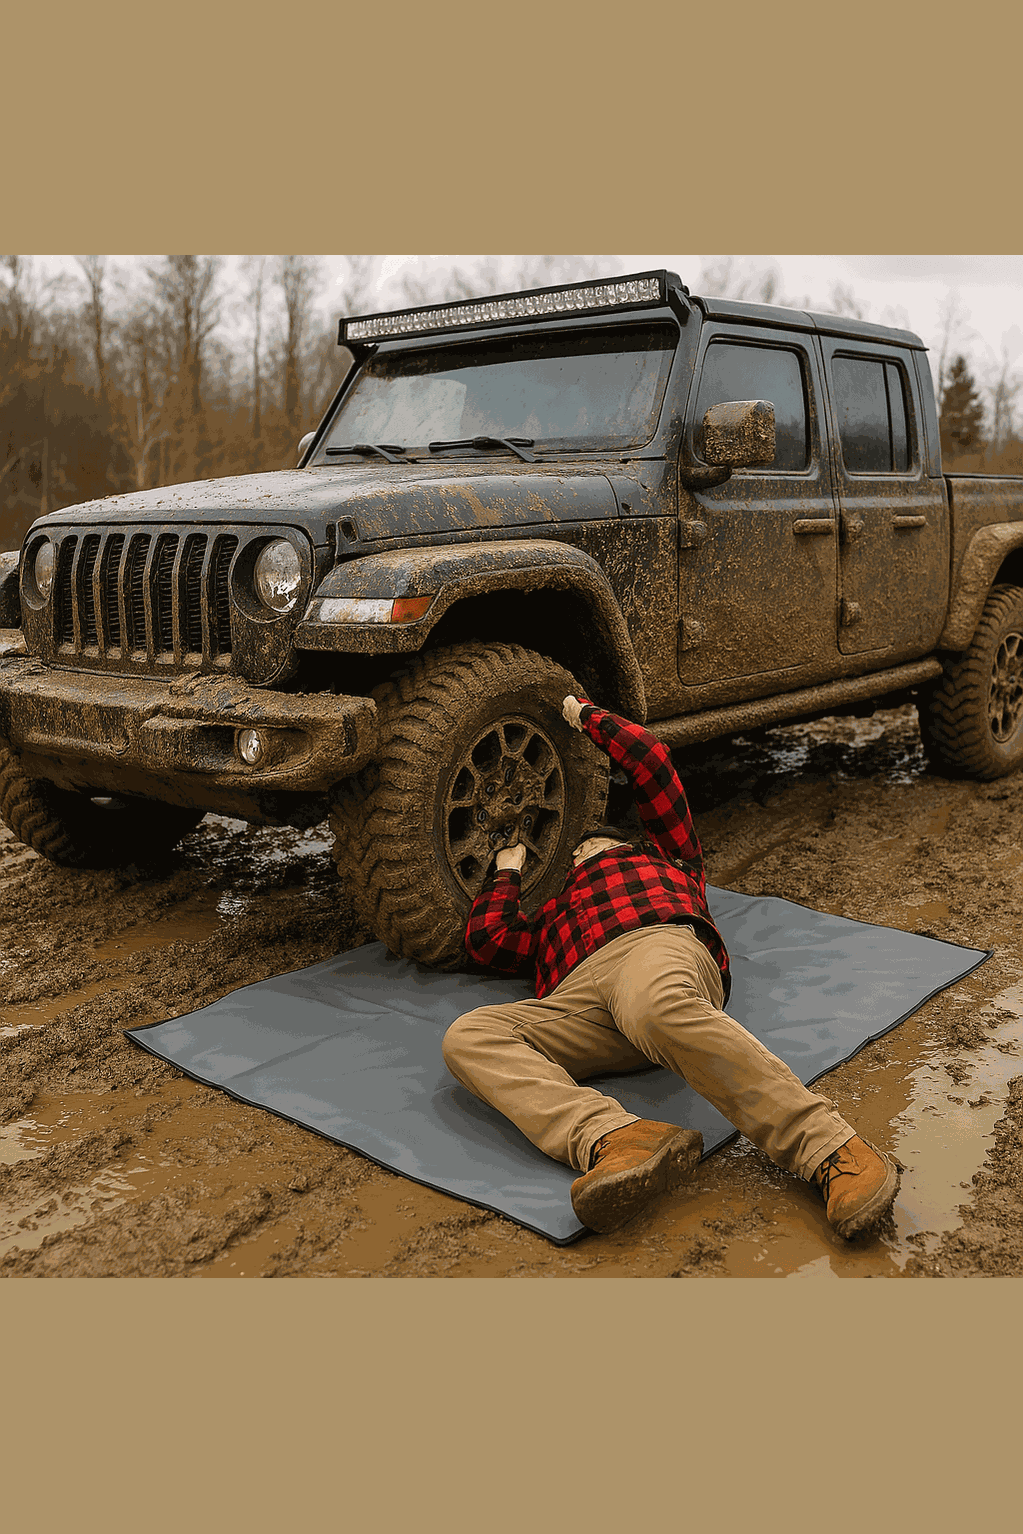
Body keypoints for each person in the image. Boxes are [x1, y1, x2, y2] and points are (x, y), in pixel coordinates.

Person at [443, 693, 902, 1238]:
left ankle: (830, 1147)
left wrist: (583, 713)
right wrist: (508, 871)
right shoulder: (552, 915)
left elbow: (653, 761)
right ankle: (617, 1139)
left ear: (621, 844)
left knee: (655, 1005)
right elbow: (488, 939)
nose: (577, 853)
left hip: (655, 949)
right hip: (580, 1000)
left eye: (588, 845)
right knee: (467, 1036)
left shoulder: (669, 859)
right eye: (572, 854)